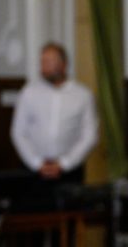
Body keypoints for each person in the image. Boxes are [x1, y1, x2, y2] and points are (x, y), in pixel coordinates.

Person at [10, 42, 98, 185]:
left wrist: (65, 163)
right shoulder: (28, 93)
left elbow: (89, 135)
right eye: (42, 62)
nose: (44, 67)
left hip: (70, 171)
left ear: (64, 64)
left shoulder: (83, 95)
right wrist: (37, 163)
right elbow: (18, 132)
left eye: (49, 62)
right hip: (33, 170)